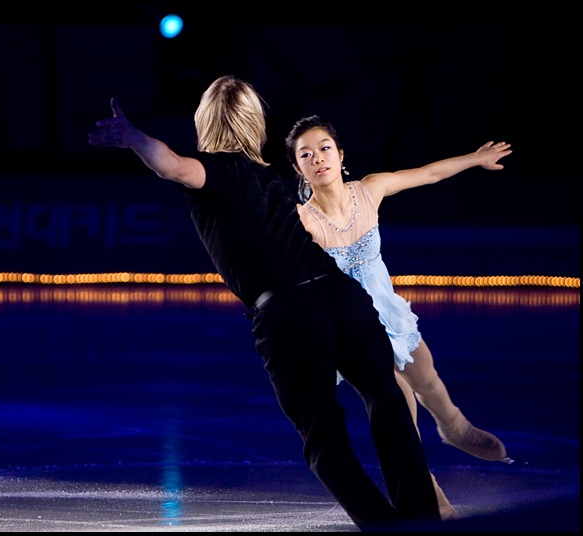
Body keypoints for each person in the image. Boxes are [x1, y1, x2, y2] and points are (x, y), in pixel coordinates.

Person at [88, 75, 441, 531]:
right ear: (255, 122)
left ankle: (386, 526)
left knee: (323, 441)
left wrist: (132, 137)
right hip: (342, 297)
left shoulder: (217, 172)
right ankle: (421, 523)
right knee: (388, 401)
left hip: (289, 317)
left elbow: (173, 166)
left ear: (205, 122)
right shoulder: (275, 180)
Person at [284, 114, 513, 520]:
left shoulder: (369, 191)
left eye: (324, 148)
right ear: (298, 167)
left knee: (427, 379)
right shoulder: (303, 222)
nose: (318, 158)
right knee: (399, 414)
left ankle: (454, 427)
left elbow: (428, 173)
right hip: (353, 331)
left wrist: (475, 159)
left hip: (389, 312)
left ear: (340, 155)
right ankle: (431, 495)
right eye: (306, 154)